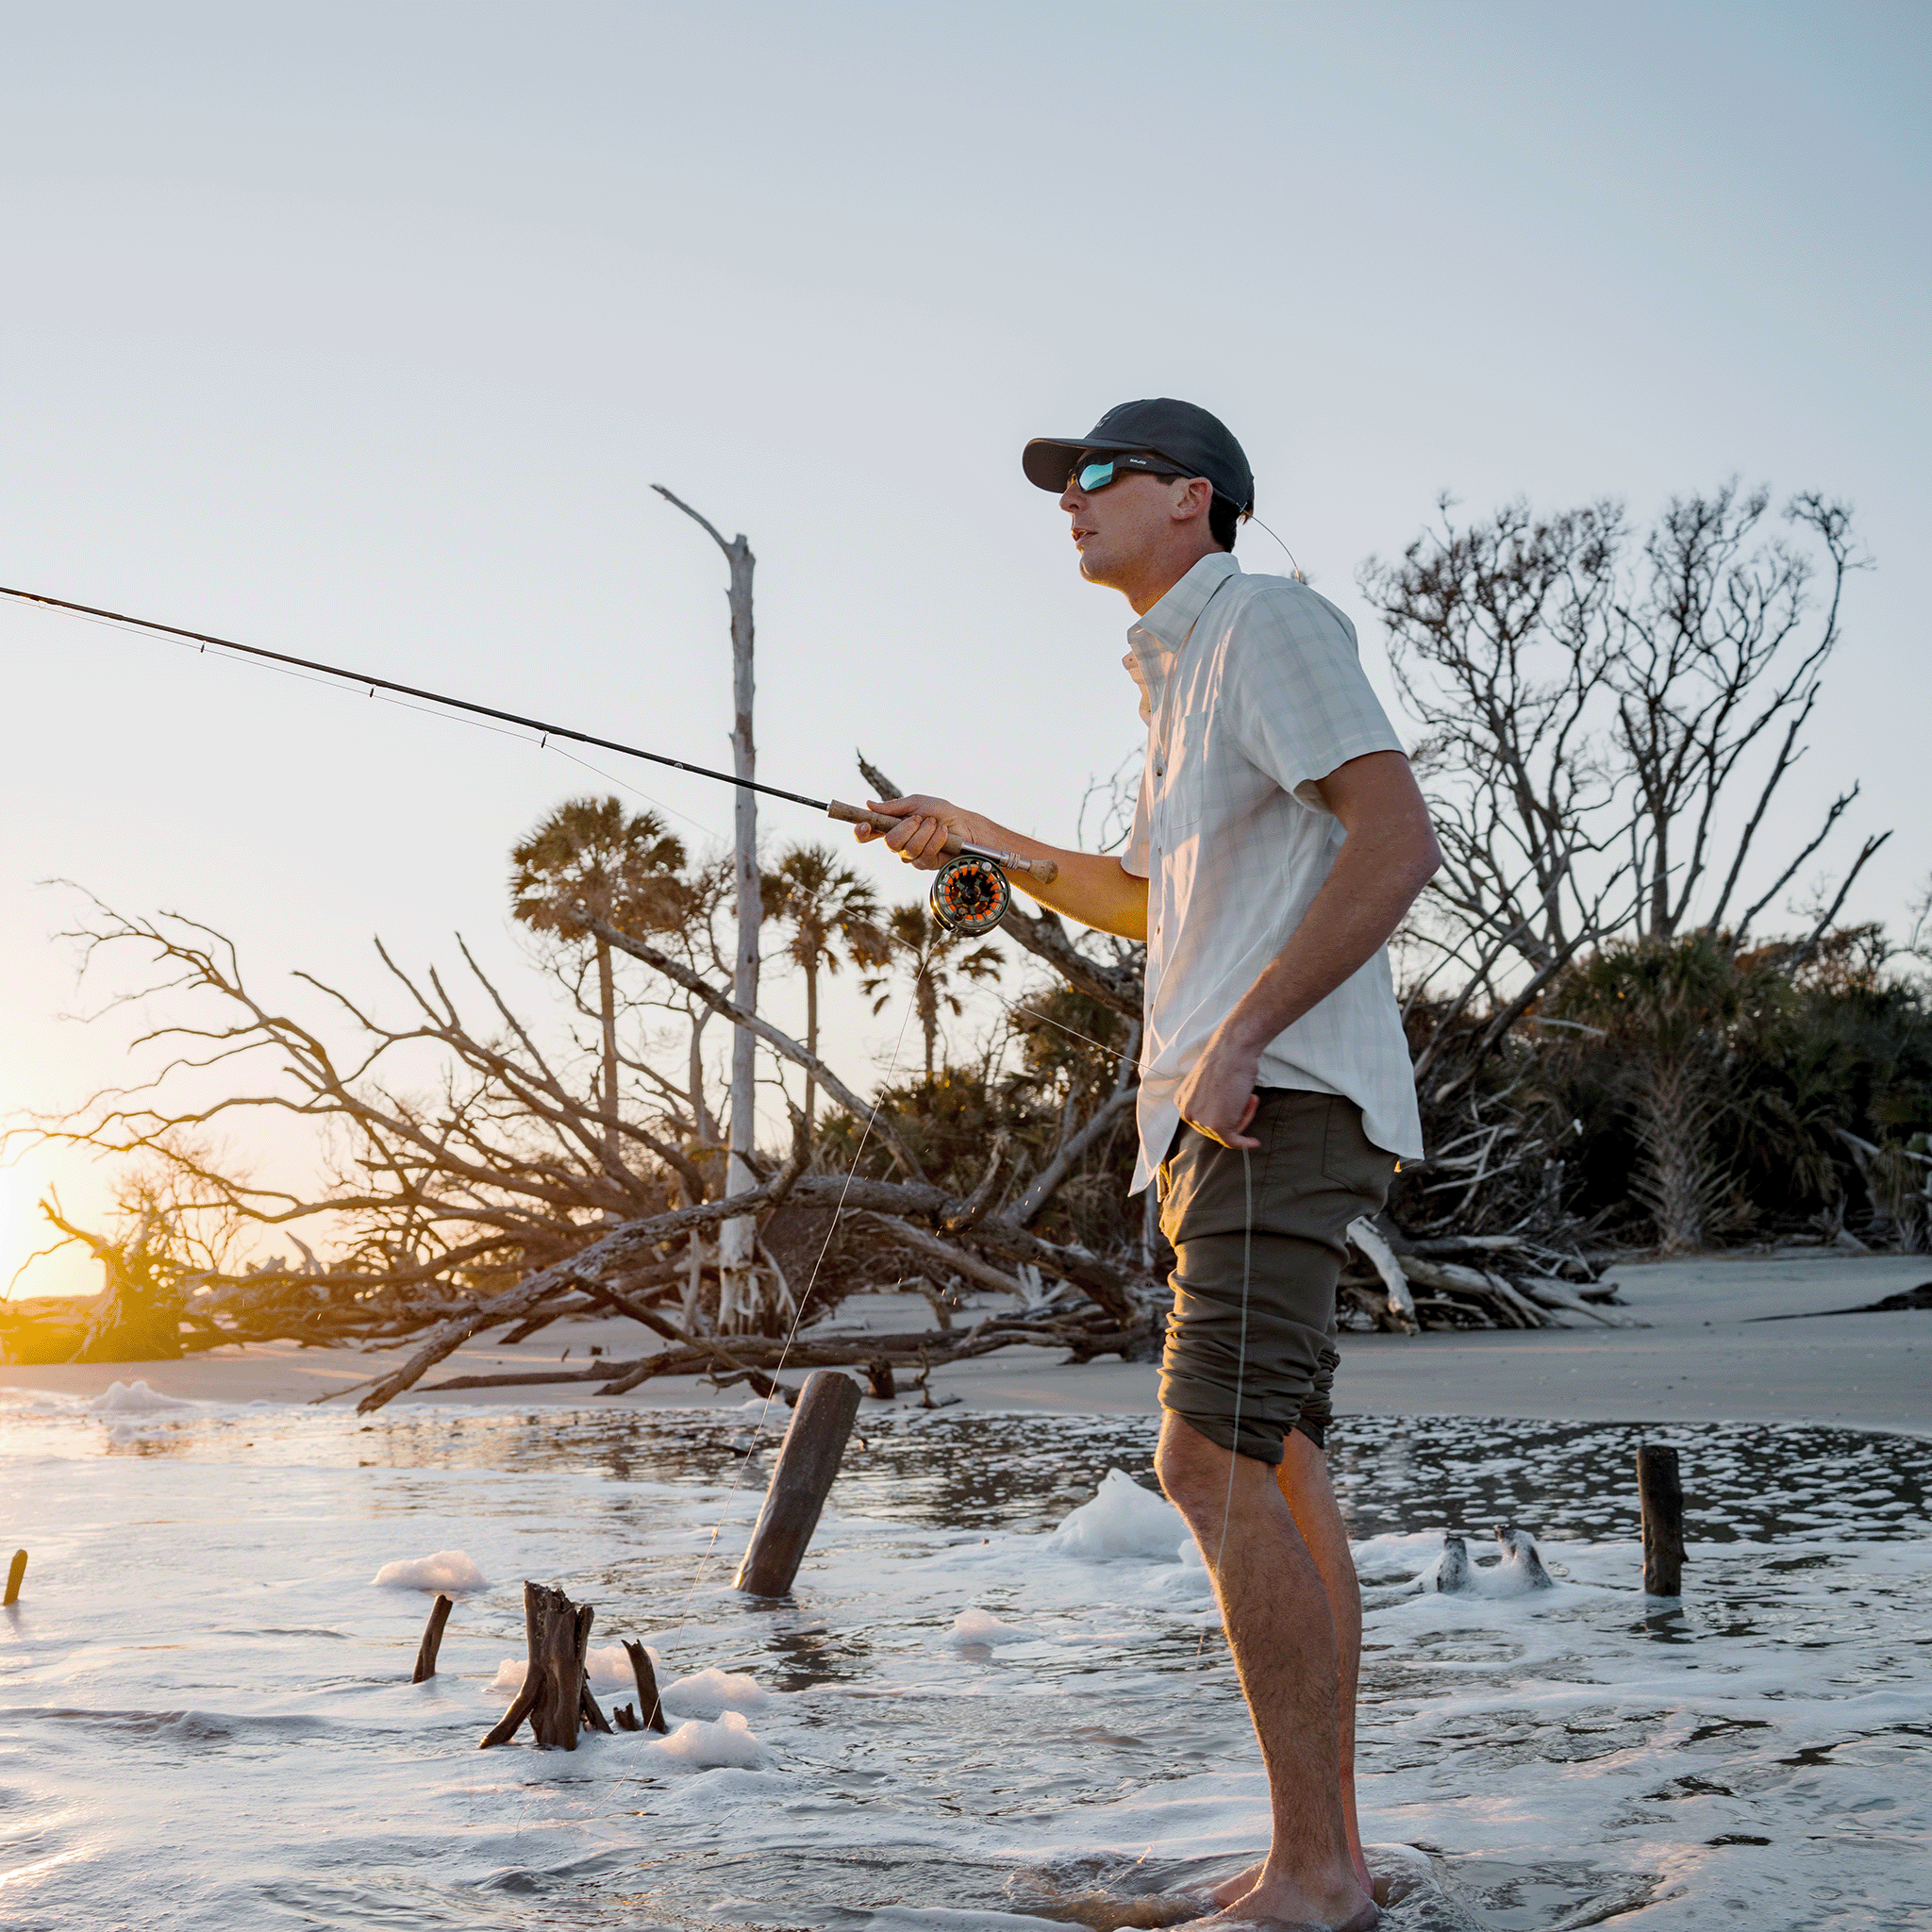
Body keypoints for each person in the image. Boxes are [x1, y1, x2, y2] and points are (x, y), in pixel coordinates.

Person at [854, 398, 1440, 1931]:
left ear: (1194, 499)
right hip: (1213, 1122)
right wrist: (977, 834)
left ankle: (1314, 1878)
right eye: (1065, 481)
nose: (1072, 499)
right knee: (1284, 1469)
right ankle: (1328, 1861)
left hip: (1272, 1104)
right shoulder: (1178, 684)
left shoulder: (1267, 625)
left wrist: (1244, 1036)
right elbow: (1143, 893)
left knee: (1207, 1461)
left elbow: (1395, 838)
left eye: (1098, 474)